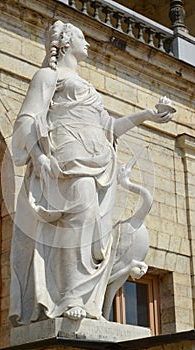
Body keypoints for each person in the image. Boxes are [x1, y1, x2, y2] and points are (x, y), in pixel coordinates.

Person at [9, 20, 172, 326]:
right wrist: (40, 155)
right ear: (66, 43)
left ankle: (83, 299)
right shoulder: (48, 75)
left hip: (98, 161)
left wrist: (147, 115)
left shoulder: (87, 87)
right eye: (82, 37)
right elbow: (28, 119)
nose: (88, 42)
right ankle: (70, 295)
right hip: (67, 157)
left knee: (95, 230)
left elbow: (109, 128)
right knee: (78, 218)